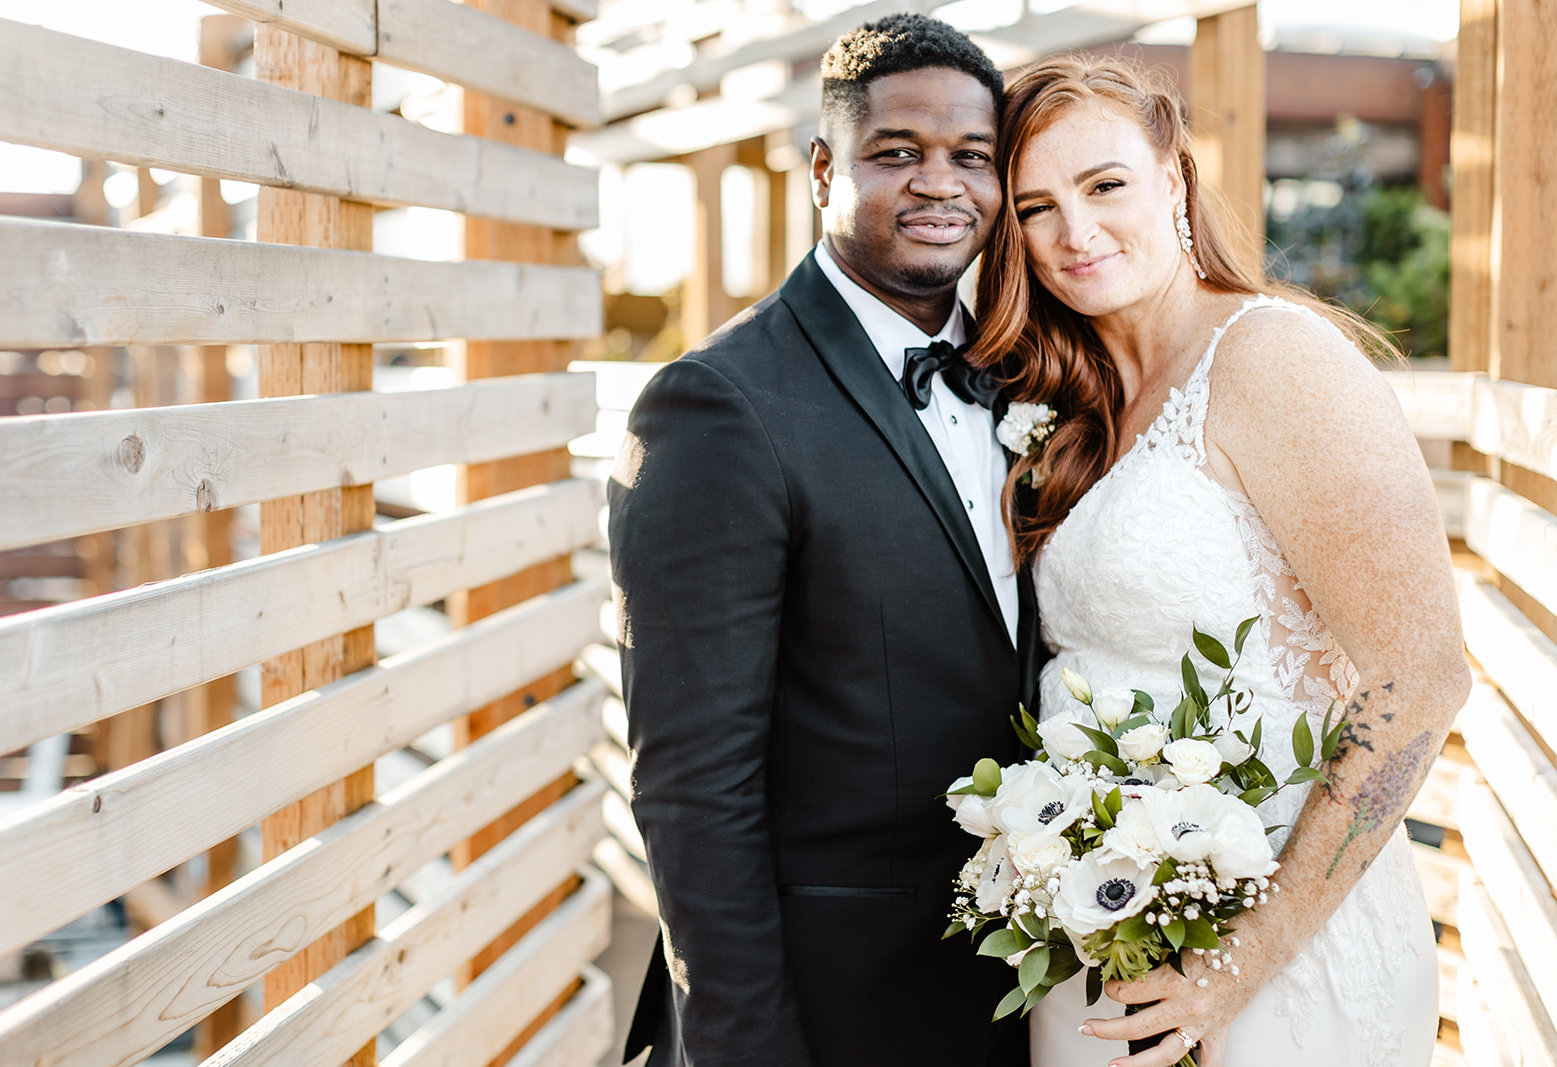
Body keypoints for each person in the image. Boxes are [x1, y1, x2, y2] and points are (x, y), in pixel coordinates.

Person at [968, 54, 1470, 1067]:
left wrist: (1235, 964)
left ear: (1172, 177)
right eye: (1034, 207)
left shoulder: (1275, 359)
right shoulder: (1071, 405)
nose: (1075, 231)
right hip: (1104, 940)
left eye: (1104, 183)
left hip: (1283, 955)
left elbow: (1421, 677)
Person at [609, 14, 1044, 1067]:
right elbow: (693, 788)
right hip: (828, 1005)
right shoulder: (716, 405)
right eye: (896, 152)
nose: (939, 184)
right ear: (821, 169)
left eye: (971, 158)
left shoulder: (1023, 377)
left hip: (1012, 986)